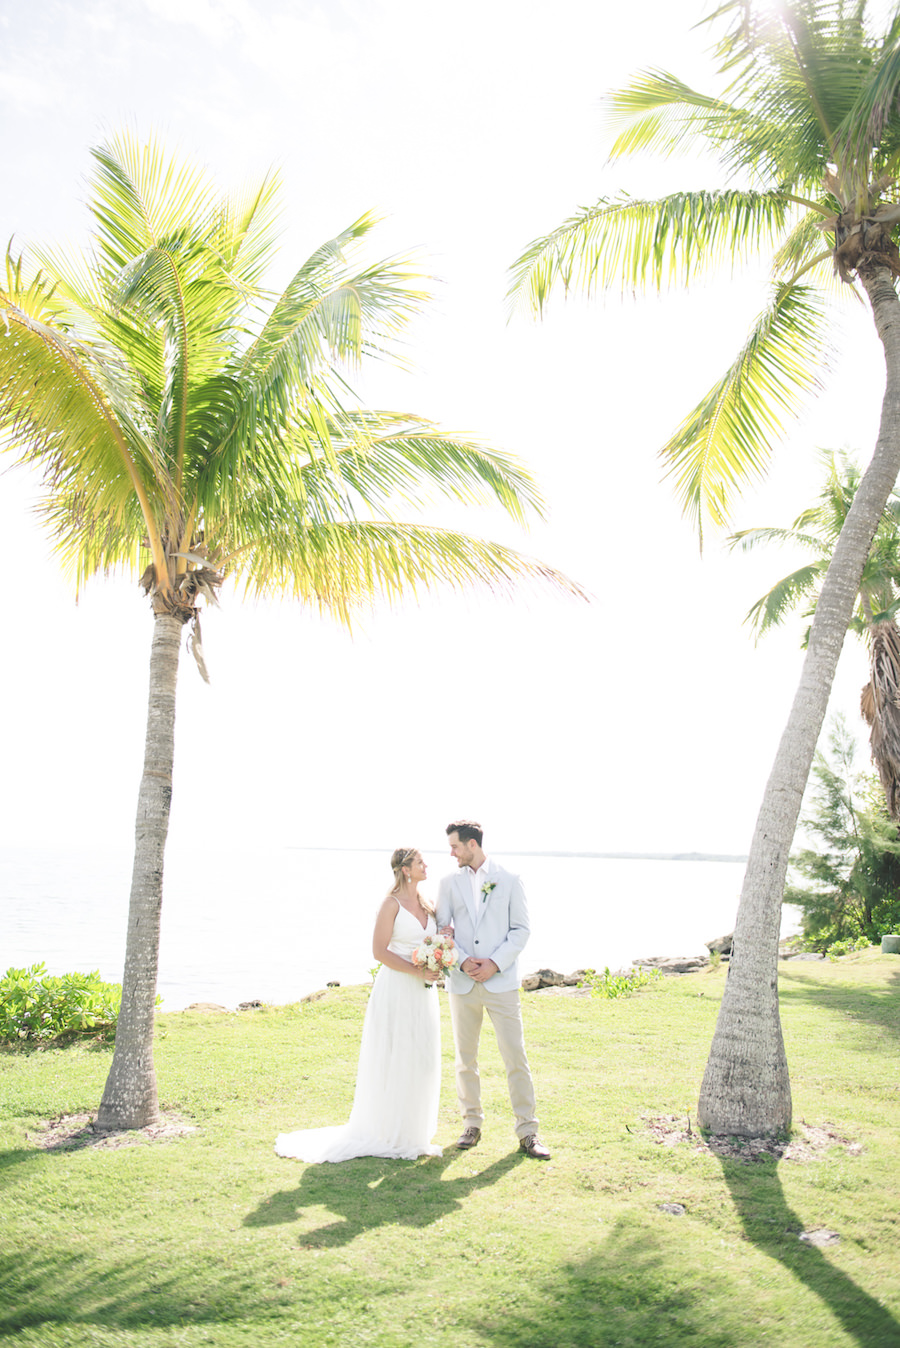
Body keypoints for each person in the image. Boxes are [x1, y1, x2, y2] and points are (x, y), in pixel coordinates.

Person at [275, 847, 443, 1163]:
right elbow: (379, 952)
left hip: (423, 991)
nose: (426, 865)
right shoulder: (390, 905)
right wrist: (417, 970)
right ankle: (387, 1130)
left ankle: (413, 1131)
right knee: (395, 1054)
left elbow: (435, 940)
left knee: (421, 1057)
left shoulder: (428, 904)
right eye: (420, 861)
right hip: (397, 987)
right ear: (406, 869)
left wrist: (438, 957)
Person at [436, 820, 550, 1160]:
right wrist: (462, 961)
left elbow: (520, 930)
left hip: (501, 984)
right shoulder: (448, 883)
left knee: (515, 1056)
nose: (451, 853)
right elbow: (443, 931)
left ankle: (528, 1131)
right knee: (465, 1059)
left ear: (472, 844)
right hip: (462, 984)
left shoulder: (510, 879)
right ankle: (471, 1123)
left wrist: (494, 964)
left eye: (455, 846)